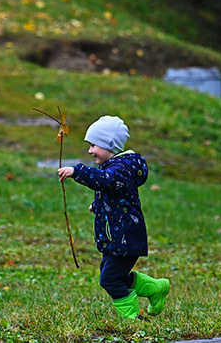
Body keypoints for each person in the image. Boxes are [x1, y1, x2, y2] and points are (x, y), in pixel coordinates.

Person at [57, 115, 170, 320]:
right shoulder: (117, 168)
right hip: (118, 237)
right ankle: (155, 288)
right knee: (112, 276)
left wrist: (77, 171)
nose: (90, 151)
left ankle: (132, 319)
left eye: (93, 145)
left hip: (125, 238)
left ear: (109, 144)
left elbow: (106, 181)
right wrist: (99, 205)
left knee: (110, 279)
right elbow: (116, 193)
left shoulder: (119, 170)